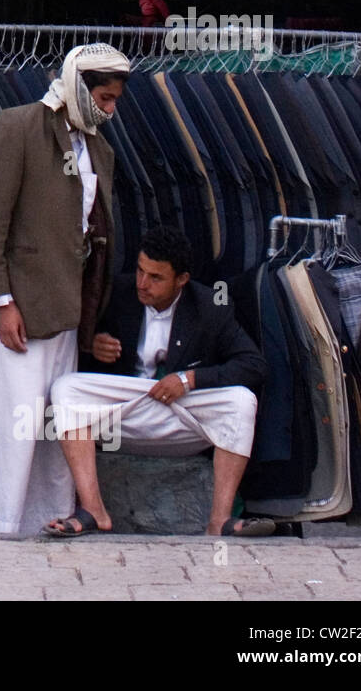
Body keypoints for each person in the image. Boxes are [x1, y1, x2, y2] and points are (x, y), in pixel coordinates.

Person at [0, 43, 129, 534]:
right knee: (10, 429)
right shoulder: (18, 127)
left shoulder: (99, 148)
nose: (110, 109)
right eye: (103, 97)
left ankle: (48, 522)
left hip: (69, 312)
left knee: (53, 426)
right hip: (20, 310)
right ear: (80, 88)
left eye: (115, 99)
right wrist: (2, 302)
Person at [45, 226, 272, 537]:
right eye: (140, 271)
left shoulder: (209, 306)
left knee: (241, 401)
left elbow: (253, 365)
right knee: (65, 388)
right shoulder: (119, 293)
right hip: (127, 413)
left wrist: (189, 379)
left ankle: (219, 522)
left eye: (155, 277)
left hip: (183, 418)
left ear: (181, 280)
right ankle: (93, 509)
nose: (143, 283)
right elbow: (79, 353)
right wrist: (93, 347)